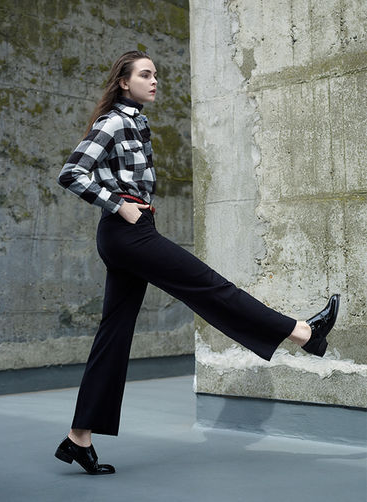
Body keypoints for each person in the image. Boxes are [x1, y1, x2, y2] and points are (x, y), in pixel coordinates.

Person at [54, 50, 340, 475]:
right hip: (128, 232)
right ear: (124, 82)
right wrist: (119, 205)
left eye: (156, 75)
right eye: (145, 75)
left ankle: (79, 439)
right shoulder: (113, 122)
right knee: (208, 286)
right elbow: (72, 172)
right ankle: (303, 333)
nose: (154, 81)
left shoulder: (137, 122)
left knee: (113, 334)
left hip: (128, 234)